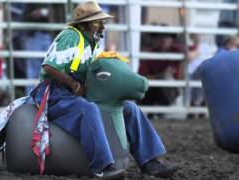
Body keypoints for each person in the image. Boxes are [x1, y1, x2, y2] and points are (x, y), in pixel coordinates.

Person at [29, 1, 177, 179]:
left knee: (129, 108)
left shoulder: (94, 43)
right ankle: (102, 167)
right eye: (97, 21)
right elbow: (49, 67)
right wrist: (75, 85)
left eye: (102, 21)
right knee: (87, 108)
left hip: (75, 90)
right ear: (84, 24)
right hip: (54, 92)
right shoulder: (70, 36)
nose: (102, 25)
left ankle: (150, 162)